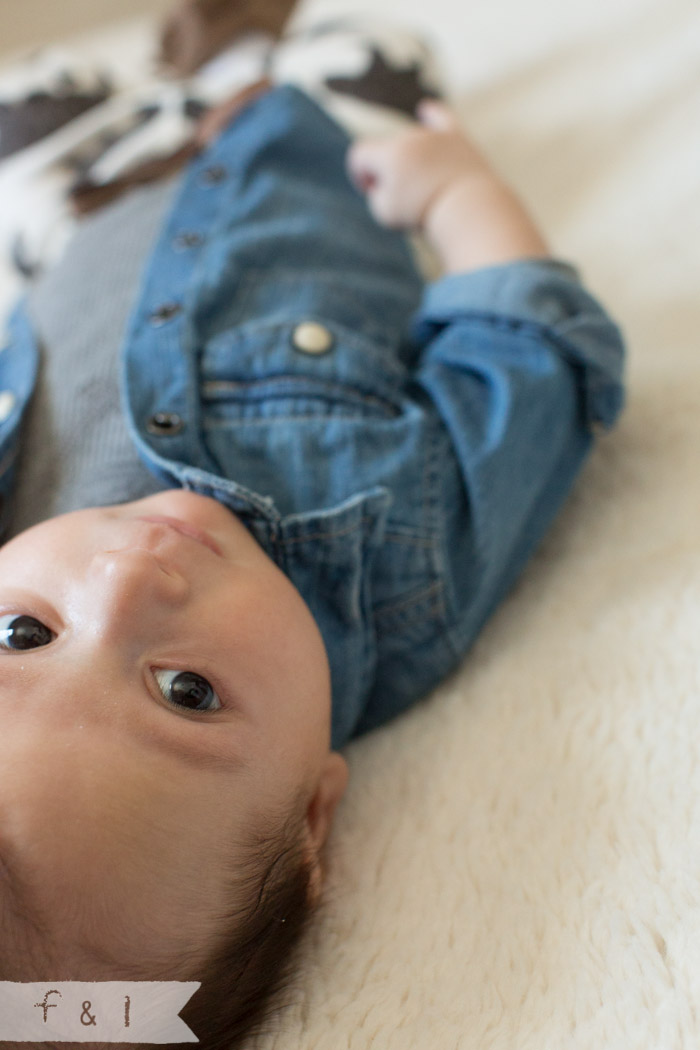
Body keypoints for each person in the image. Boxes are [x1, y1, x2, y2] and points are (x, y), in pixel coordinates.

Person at [0, 16, 625, 1050]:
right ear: (310, 820)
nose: (125, 577)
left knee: (51, 172)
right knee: (371, 67)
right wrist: (456, 196)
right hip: (319, 174)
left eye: (22, 637)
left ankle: (98, 154)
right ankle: (248, 84)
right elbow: (527, 359)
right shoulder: (404, 570)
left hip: (90, 234)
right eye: (185, 692)